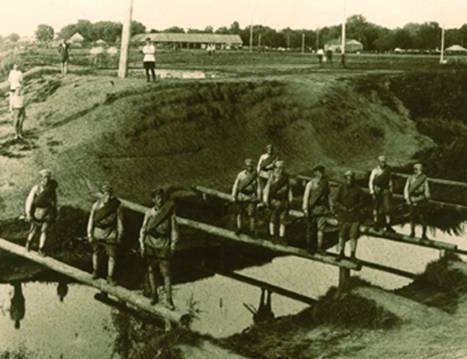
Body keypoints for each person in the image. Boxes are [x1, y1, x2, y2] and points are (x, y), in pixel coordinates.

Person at [139, 188, 177, 310]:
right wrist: (142, 244)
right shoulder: (149, 213)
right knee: (151, 270)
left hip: (164, 244)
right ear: (153, 200)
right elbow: (143, 229)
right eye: (157, 198)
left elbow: (174, 230)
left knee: (166, 273)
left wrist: (173, 244)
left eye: (162, 198)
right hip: (150, 243)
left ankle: (169, 300)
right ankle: (154, 295)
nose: (160, 200)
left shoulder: (169, 213)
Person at [87, 184, 124, 285]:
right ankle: (95, 271)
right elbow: (91, 221)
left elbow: (119, 222)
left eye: (109, 194)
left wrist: (120, 235)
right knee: (96, 252)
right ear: (101, 195)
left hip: (110, 233)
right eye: (105, 194)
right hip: (98, 232)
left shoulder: (116, 206)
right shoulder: (96, 206)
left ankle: (110, 277)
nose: (107, 197)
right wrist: (89, 234)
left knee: (112, 256)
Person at [25, 169, 58, 256]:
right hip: (37, 212)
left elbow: (54, 201)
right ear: (41, 178)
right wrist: (28, 213)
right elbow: (29, 200)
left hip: (47, 212)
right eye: (44, 178)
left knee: (44, 231)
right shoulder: (36, 188)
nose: (46, 180)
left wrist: (54, 211)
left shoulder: (51, 189)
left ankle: (41, 249)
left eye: (48, 178)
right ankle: (28, 243)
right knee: (34, 229)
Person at [335, 171, 365, 261]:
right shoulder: (341, 188)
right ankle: (341, 253)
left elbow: (362, 202)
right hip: (343, 216)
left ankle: (352, 255)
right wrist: (342, 207)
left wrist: (355, 208)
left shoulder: (358, 190)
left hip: (354, 216)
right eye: (347, 178)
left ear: (353, 179)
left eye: (351, 178)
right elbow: (336, 201)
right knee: (341, 235)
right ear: (345, 179)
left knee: (353, 235)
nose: (349, 180)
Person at [302, 165, 332, 254]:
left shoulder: (326, 184)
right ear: (315, 173)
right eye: (318, 172)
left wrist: (330, 207)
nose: (320, 174)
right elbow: (306, 197)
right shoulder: (310, 184)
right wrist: (305, 209)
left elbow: (328, 196)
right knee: (310, 229)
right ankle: (310, 247)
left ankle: (319, 247)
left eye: (322, 172)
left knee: (321, 229)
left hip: (322, 209)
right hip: (312, 209)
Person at [264, 161, 293, 243]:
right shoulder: (271, 178)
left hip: (283, 202)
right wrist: (266, 199)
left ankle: (281, 237)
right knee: (273, 219)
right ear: (275, 168)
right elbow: (267, 189)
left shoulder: (286, 178)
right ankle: (272, 236)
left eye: (281, 168)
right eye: (277, 168)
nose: (279, 170)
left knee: (282, 220)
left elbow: (289, 190)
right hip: (273, 201)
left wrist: (290, 200)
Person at [232, 159, 260, 236]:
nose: (249, 167)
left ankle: (252, 230)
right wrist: (234, 195)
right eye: (248, 166)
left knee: (251, 214)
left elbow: (259, 187)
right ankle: (239, 228)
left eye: (251, 166)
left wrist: (259, 196)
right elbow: (236, 185)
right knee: (239, 213)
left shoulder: (256, 176)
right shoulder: (241, 174)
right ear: (245, 166)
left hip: (251, 196)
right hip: (242, 196)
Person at [404, 163, 431, 240]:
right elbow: (406, 189)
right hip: (412, 199)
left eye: (421, 169)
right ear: (415, 170)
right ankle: (412, 232)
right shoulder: (410, 178)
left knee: (423, 217)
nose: (420, 171)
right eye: (418, 169)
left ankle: (424, 234)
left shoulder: (424, 178)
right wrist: (407, 199)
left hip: (421, 199)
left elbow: (426, 189)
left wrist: (427, 196)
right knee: (412, 217)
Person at [368, 156, 394, 232]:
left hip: (385, 191)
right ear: (379, 162)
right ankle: (375, 223)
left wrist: (391, 190)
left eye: (384, 162)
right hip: (377, 191)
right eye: (381, 162)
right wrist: (372, 191)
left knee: (387, 208)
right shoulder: (375, 171)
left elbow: (390, 181)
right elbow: (371, 182)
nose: (383, 163)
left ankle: (388, 225)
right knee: (376, 207)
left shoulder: (388, 170)